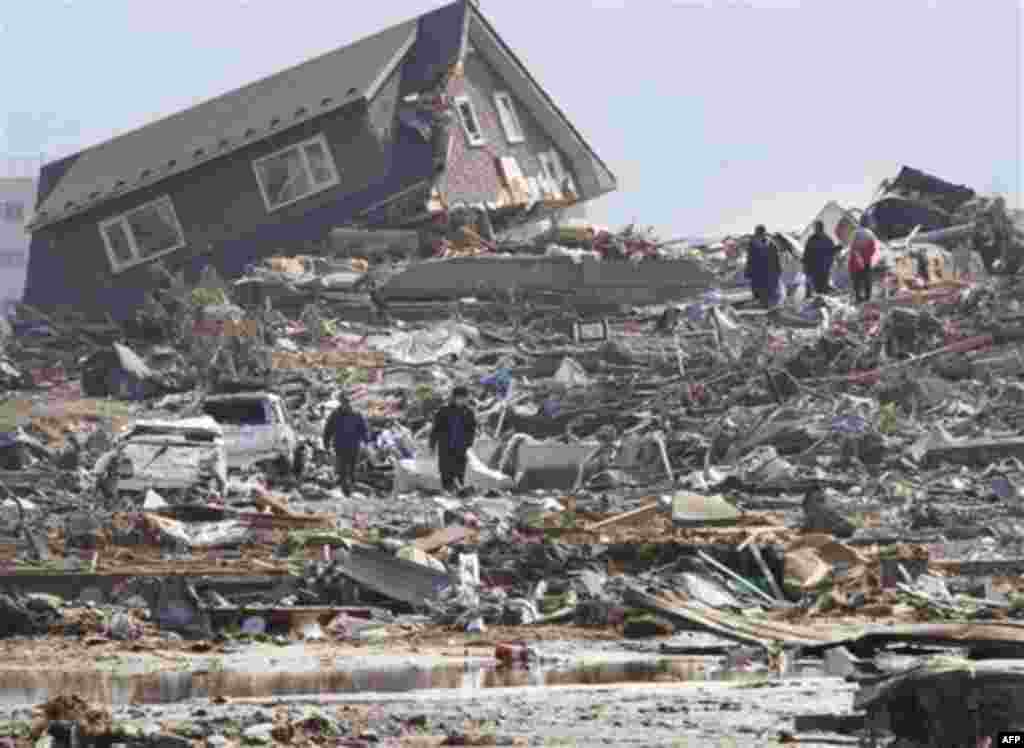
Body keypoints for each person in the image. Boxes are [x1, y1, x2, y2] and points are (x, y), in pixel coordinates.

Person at [429, 385, 477, 493]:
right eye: (460, 398)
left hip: (461, 447)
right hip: (446, 446)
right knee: (446, 471)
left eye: (464, 398)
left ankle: (459, 491)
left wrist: (468, 443)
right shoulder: (444, 410)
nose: (462, 401)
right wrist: (432, 444)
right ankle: (447, 491)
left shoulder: (469, 412)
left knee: (459, 471)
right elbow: (436, 429)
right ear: (454, 398)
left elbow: (472, 429)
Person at [322, 396, 369, 496]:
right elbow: (328, 430)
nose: (345, 406)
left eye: (347, 403)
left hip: (353, 445)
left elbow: (363, 429)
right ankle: (345, 490)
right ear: (341, 403)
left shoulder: (356, 414)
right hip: (340, 446)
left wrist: (366, 441)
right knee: (342, 468)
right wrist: (326, 444)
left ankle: (352, 487)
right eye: (343, 403)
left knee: (352, 468)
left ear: (349, 404)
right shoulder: (335, 415)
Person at [746, 225, 783, 307]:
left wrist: (778, 270)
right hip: (760, 273)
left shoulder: (770, 244)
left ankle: (768, 306)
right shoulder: (753, 244)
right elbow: (750, 259)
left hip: (766, 273)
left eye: (759, 233)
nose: (758, 234)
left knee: (768, 292)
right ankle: (765, 306)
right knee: (762, 292)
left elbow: (775, 258)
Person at [802, 221, 840, 295]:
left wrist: (837, 249)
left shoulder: (827, 240)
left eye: (817, 228)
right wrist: (805, 266)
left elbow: (831, 252)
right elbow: (806, 254)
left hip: (824, 269)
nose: (816, 229)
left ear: (821, 228)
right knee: (814, 289)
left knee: (822, 290)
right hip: (814, 269)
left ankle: (822, 302)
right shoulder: (811, 239)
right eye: (815, 228)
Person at [847, 225, 880, 303]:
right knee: (865, 281)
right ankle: (864, 298)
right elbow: (874, 251)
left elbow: (873, 251)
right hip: (863, 263)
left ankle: (861, 298)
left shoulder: (859, 236)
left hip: (861, 263)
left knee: (860, 282)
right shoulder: (867, 235)